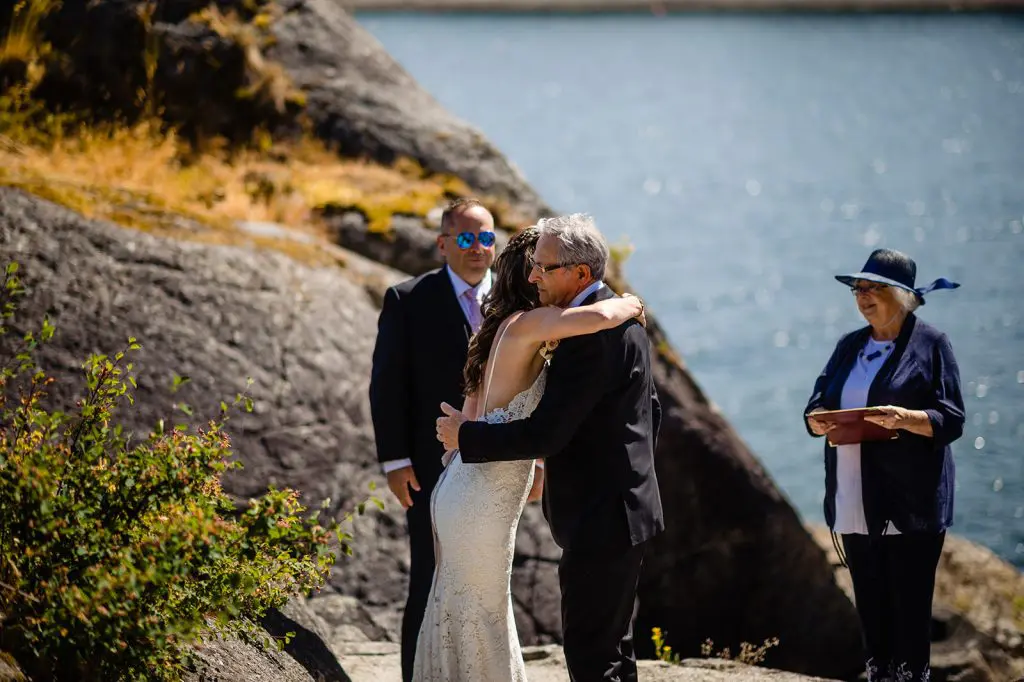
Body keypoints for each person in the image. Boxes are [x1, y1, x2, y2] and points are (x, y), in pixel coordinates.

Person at [436, 214, 663, 682]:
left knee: (592, 656)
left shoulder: (593, 332)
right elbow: (651, 411)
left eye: (545, 266)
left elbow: (547, 433)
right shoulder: (604, 320)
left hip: (603, 517)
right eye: (534, 266)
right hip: (622, 509)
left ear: (580, 273)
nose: (535, 275)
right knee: (613, 650)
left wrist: (468, 437)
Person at [370, 197, 532, 682]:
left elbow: (532, 385)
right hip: (428, 465)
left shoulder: (515, 304)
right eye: (465, 237)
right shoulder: (407, 299)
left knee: (485, 579)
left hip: (500, 467)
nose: (478, 248)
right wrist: (395, 461)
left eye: (486, 237)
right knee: (429, 575)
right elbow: (386, 384)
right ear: (443, 244)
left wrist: (537, 461)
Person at [804, 248, 964, 682]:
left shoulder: (932, 344)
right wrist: (817, 420)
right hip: (853, 498)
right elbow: (819, 400)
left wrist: (904, 418)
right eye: (859, 289)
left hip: (908, 503)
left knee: (909, 614)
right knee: (872, 612)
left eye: (874, 289)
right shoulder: (848, 345)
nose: (863, 297)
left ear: (902, 296)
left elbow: (951, 419)